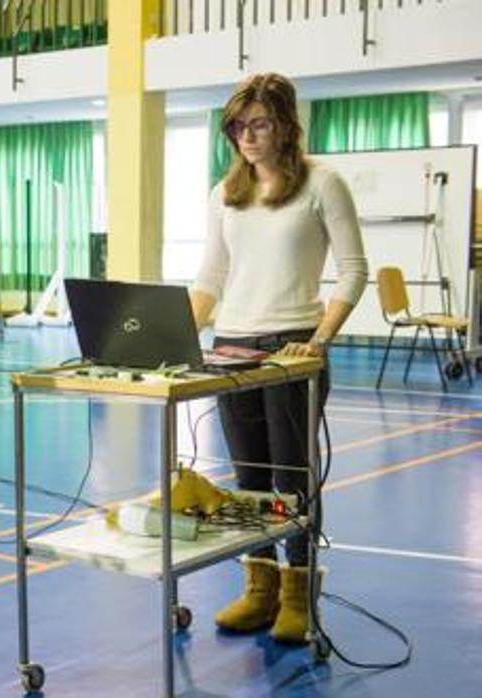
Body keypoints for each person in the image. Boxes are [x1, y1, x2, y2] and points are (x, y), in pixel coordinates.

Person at [190, 73, 368, 644]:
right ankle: (259, 589)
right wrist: (173, 337)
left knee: (293, 481)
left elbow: (353, 270)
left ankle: (298, 592)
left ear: (286, 124)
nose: (247, 135)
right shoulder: (225, 193)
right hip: (230, 349)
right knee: (248, 482)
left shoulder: (323, 182)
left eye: (259, 123)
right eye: (237, 127)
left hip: (293, 348)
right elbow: (210, 279)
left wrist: (318, 340)